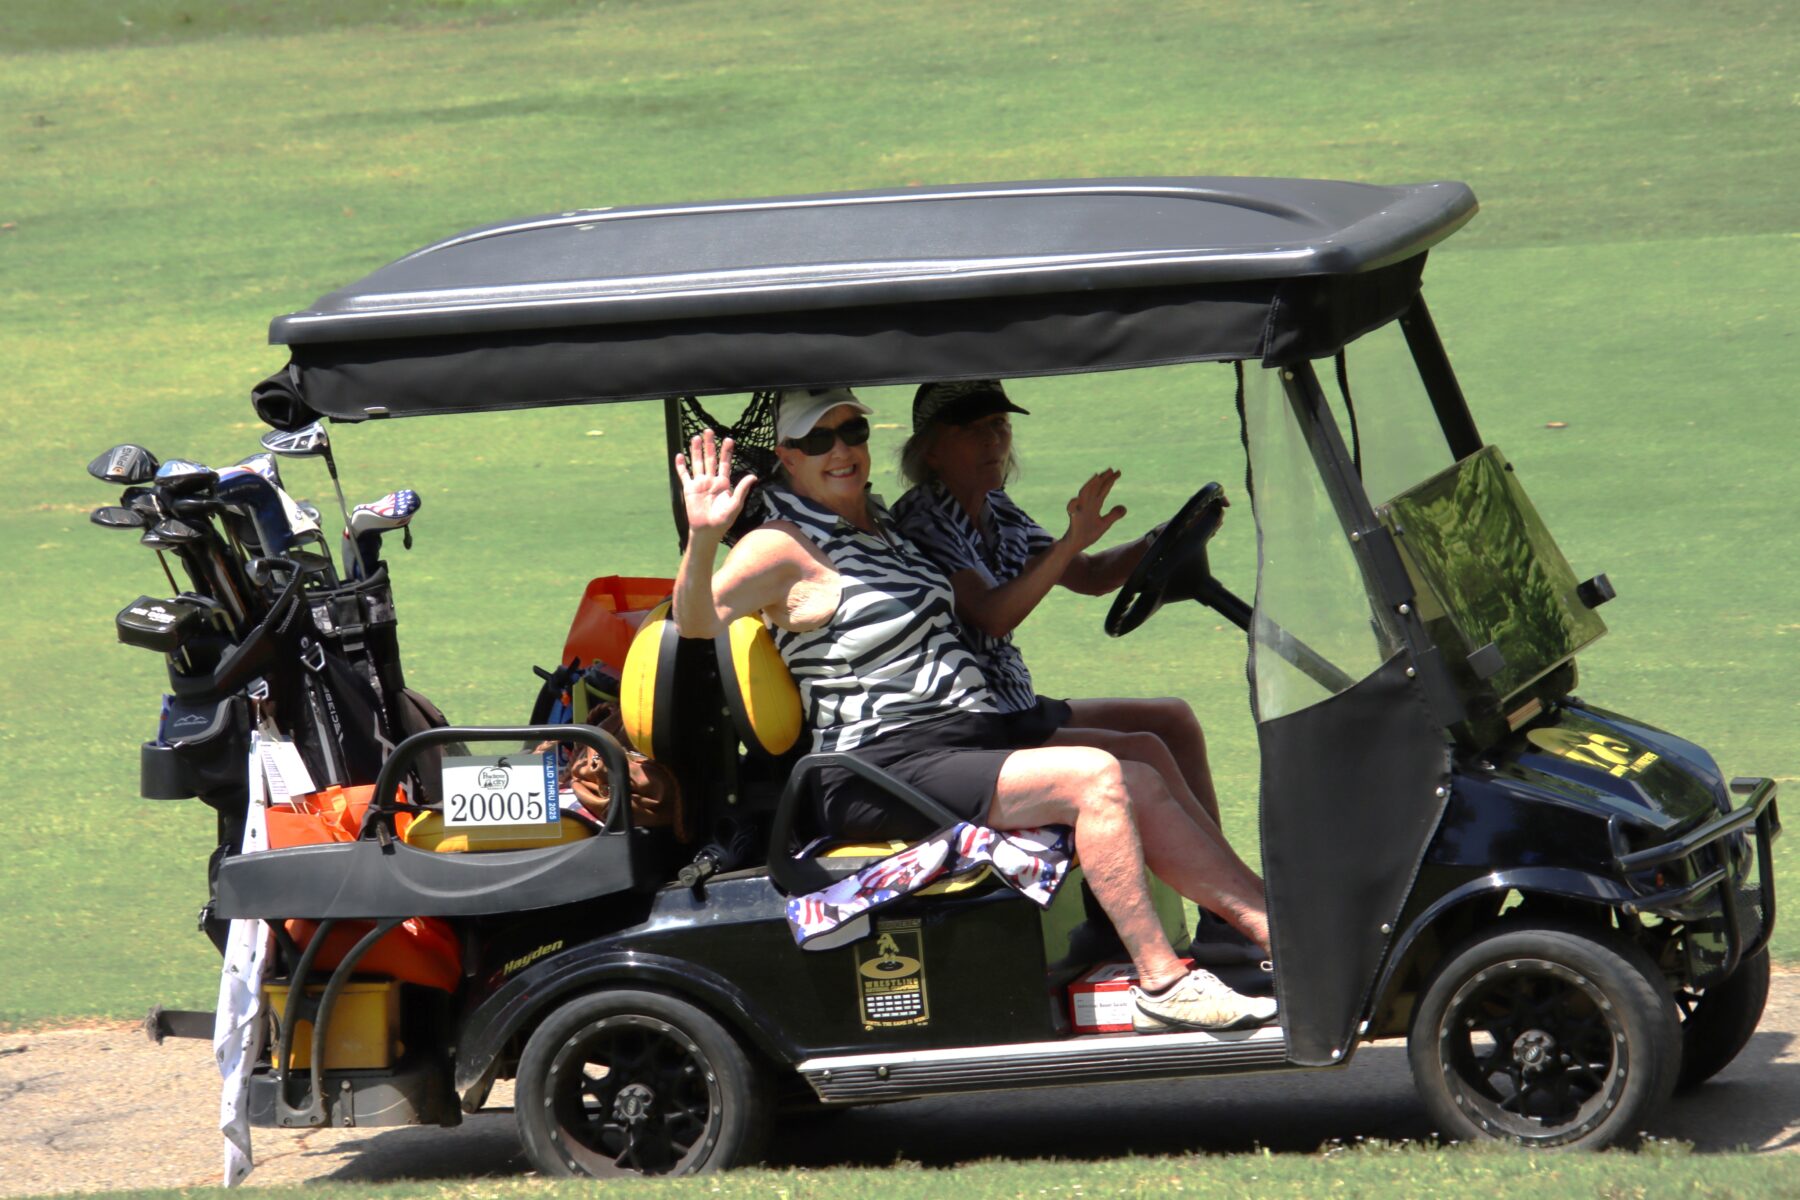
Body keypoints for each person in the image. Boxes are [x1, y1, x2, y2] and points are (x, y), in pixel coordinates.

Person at [671, 386, 1274, 1033]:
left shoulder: (879, 524)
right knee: (1096, 778)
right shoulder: (781, 544)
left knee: (1139, 771)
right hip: (880, 764)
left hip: (953, 741)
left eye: (853, 432)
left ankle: (1270, 929)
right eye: (819, 440)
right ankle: (1163, 982)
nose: (841, 450)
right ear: (788, 457)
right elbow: (697, 619)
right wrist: (704, 537)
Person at [891, 380, 1246, 880]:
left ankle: (1217, 901)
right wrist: (1068, 543)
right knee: (1144, 751)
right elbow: (992, 614)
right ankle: (1232, 896)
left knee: (1173, 719)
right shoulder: (922, 521)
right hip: (975, 721)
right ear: (930, 451)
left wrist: (1163, 538)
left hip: (1015, 702)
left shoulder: (998, 509)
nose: (993, 440)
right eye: (972, 429)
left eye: (999, 424)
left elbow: (1090, 575)